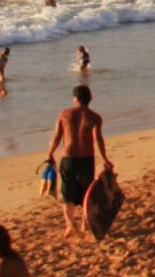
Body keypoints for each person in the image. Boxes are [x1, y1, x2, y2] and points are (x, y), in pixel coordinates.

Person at [46, 85, 112, 238]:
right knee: (86, 194)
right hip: (86, 160)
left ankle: (70, 225)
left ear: (75, 98)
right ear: (90, 99)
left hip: (68, 159)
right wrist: (105, 159)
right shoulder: (95, 117)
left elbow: (56, 137)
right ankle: (85, 223)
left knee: (67, 194)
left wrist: (50, 153)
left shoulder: (64, 114)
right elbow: (98, 139)